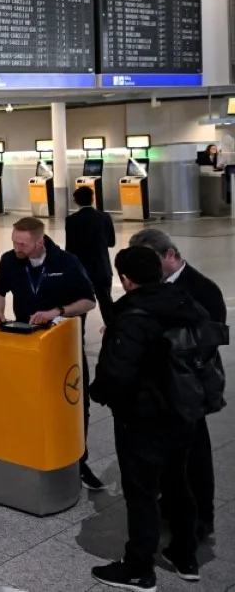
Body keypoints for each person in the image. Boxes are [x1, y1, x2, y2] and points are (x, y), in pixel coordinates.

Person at [89, 246, 209, 590]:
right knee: (178, 481)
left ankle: (139, 568)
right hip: (184, 412)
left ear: (125, 280)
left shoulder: (131, 316)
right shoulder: (186, 303)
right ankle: (185, 555)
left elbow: (115, 375)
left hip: (142, 419)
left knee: (141, 491)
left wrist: (100, 391)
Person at [128, 228, 225, 541]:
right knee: (167, 455)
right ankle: (171, 504)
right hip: (160, 389)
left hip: (189, 389)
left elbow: (209, 339)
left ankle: (202, 516)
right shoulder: (151, 286)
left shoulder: (202, 289)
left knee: (195, 455)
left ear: (170, 255)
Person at [0, 216, 101, 490]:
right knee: (27, 400)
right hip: (25, 344)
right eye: (14, 241)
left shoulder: (67, 262)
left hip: (64, 346)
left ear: (40, 242)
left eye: (22, 243)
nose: (16, 247)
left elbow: (89, 301)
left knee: (74, 401)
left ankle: (78, 459)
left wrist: (57, 312)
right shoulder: (9, 260)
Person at [66, 186, 116, 327]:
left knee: (80, 307)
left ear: (75, 201)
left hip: (81, 270)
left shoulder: (71, 220)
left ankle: (78, 339)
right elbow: (111, 242)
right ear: (93, 198)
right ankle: (113, 333)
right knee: (106, 303)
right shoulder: (104, 217)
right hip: (102, 268)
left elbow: (69, 249)